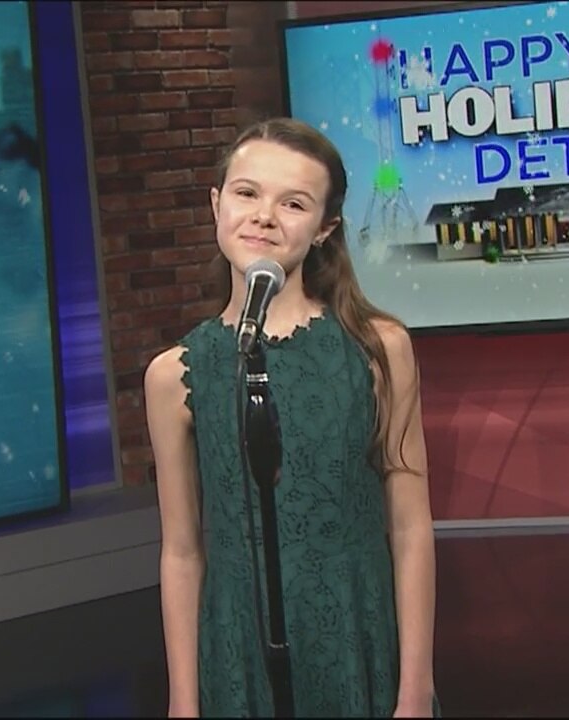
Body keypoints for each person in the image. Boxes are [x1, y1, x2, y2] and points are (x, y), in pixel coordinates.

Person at [143, 117, 439, 717]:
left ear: (326, 227)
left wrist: (415, 689)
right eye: (247, 193)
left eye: (294, 203)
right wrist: (183, 704)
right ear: (216, 204)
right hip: (239, 649)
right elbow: (182, 551)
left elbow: (410, 529)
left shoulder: (378, 350)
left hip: (355, 636)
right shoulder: (173, 375)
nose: (264, 216)